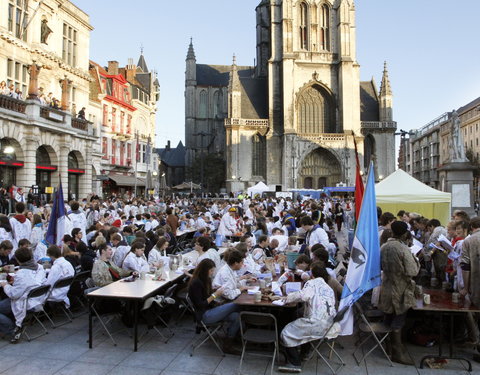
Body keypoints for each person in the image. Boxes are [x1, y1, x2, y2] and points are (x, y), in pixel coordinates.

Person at [279, 263, 340, 372]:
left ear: (312, 274)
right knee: (299, 321)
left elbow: (304, 295)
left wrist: (287, 298)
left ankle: (294, 363)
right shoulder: (328, 287)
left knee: (286, 332)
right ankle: (304, 353)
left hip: (317, 325)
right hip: (330, 325)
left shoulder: (312, 283)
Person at [378, 221, 420, 365]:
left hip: (387, 286)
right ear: (404, 233)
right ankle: (397, 352)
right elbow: (412, 270)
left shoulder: (383, 246)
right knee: (398, 319)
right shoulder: (403, 249)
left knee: (388, 317)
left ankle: (388, 347)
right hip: (400, 288)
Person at [188, 259, 240, 355]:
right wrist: (215, 295)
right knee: (235, 305)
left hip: (210, 311)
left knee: (236, 317)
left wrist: (213, 290)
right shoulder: (196, 283)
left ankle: (229, 343)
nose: (212, 273)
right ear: (205, 270)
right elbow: (201, 304)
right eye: (211, 271)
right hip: (204, 315)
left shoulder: (205, 280)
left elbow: (205, 296)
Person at [0, 247, 45, 343]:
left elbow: (13, 294)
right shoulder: (39, 267)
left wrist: (5, 285)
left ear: (18, 260)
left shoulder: (22, 274)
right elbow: (29, 281)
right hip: (36, 299)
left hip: (24, 301)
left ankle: (13, 330)